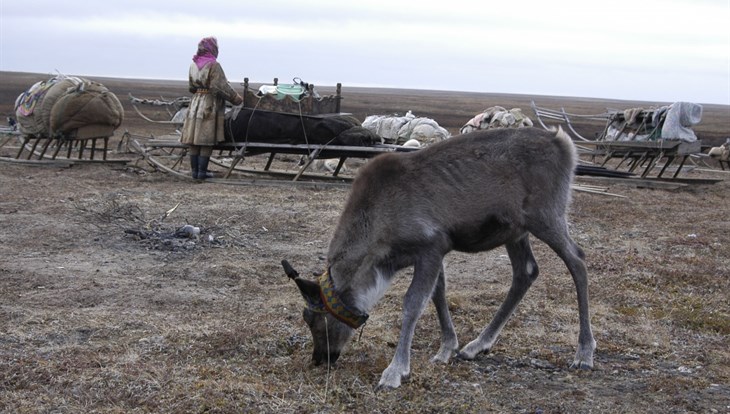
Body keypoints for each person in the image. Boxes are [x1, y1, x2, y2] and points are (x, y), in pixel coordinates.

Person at [180, 36, 243, 179]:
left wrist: (199, 92)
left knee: (194, 139)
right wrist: (236, 99)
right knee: (205, 138)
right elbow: (220, 86)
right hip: (209, 103)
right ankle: (202, 172)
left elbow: (191, 87)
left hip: (195, 102)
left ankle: (195, 172)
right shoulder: (214, 65)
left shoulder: (193, 65)